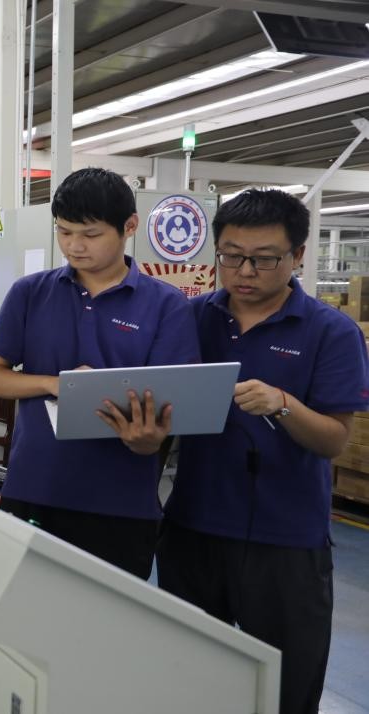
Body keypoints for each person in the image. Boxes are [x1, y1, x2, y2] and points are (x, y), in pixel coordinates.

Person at [157, 188, 369, 714]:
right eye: (231, 256)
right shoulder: (191, 317)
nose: (244, 271)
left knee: (286, 691)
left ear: (298, 256)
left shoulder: (331, 332)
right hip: (193, 530)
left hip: (285, 541)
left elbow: (334, 439)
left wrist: (283, 405)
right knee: (188, 684)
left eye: (264, 259)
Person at [0, 167, 199, 578]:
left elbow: (175, 402)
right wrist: (54, 383)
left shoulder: (167, 306)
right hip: (34, 489)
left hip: (121, 503)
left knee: (109, 617)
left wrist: (150, 439)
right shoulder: (30, 293)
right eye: (64, 232)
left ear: (129, 226)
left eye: (91, 234)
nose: (74, 246)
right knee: (22, 610)